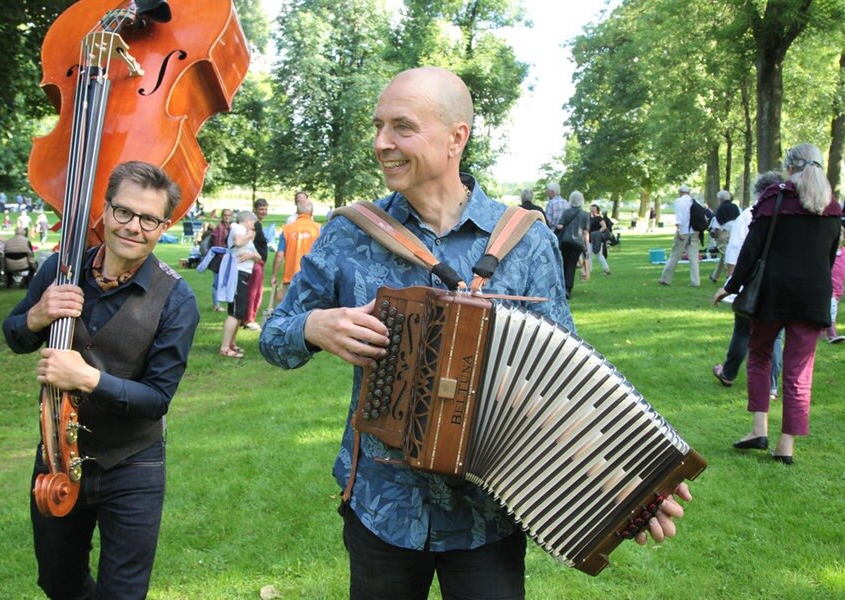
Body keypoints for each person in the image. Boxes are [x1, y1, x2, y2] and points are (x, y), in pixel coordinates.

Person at [260, 67, 689, 599]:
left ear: (456, 137)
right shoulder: (350, 231)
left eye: (402, 127)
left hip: (490, 514)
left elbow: (565, 386)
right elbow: (273, 338)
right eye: (378, 126)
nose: (381, 143)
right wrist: (313, 325)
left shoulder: (526, 239)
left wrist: (634, 487)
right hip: (382, 507)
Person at [2, 161, 199, 598]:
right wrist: (36, 315)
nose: (134, 227)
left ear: (164, 225)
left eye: (149, 219)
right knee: (58, 581)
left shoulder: (177, 299)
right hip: (55, 453)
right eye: (124, 212)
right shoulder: (60, 269)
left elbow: (156, 399)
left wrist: (87, 378)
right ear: (105, 212)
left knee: (123, 592)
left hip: (133, 463)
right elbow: (15, 336)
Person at [714, 143, 842, 466]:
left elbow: (752, 249)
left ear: (790, 167)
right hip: (813, 298)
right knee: (800, 371)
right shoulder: (831, 207)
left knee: (759, 354)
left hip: (773, 293)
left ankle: (759, 429)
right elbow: (828, 258)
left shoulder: (775, 198)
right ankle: (786, 446)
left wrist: (730, 285)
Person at [711, 172, 784, 399]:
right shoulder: (788, 215)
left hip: (752, 282)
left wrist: (732, 285)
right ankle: (771, 385)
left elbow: (736, 252)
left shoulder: (749, 215)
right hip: (779, 284)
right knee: (775, 335)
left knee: (743, 330)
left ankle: (730, 372)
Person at [219, 210, 259, 358]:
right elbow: (237, 242)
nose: (253, 228)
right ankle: (224, 347)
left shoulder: (243, 232)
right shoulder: (238, 228)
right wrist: (249, 235)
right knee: (235, 312)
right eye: (253, 224)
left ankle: (232, 343)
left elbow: (258, 256)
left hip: (244, 274)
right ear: (248, 221)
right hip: (237, 273)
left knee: (240, 311)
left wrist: (252, 255)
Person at [270, 196, 321, 305]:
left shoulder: (287, 229)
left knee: (289, 309)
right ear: (312, 212)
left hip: (290, 275)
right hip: (312, 276)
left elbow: (279, 255)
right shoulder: (319, 229)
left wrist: (274, 275)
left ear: (297, 211)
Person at [658, 185, 702, 287]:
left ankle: (665, 279)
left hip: (683, 231)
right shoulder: (695, 202)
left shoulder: (678, 202)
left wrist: (679, 230)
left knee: (674, 255)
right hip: (694, 231)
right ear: (689, 192)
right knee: (694, 258)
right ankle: (696, 281)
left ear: (680, 192)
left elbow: (679, 217)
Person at [557, 191, 590, 299]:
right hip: (578, 243)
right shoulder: (585, 214)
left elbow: (560, 226)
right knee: (572, 265)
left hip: (565, 241)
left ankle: (561, 288)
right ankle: (568, 288)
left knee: (564, 264)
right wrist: (586, 246)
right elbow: (585, 232)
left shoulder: (566, 212)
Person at [242, 198, 269, 331]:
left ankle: (247, 318)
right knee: (254, 292)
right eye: (261, 209)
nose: (263, 211)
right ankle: (248, 319)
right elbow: (249, 242)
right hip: (255, 263)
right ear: (255, 210)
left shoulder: (258, 224)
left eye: (265, 209)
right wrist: (254, 256)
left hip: (259, 262)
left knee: (257, 292)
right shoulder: (255, 225)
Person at [708, 190, 740, 283]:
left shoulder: (720, 209)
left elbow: (717, 226)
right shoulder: (736, 208)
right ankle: (714, 276)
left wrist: (715, 236)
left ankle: (731, 276)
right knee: (723, 256)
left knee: (727, 256)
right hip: (735, 233)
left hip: (724, 234)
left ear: (720, 199)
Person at [588, 203, 611, 275]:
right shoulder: (589, 218)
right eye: (591, 209)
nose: (592, 210)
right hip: (589, 239)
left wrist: (597, 233)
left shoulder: (599, 218)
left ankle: (606, 269)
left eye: (594, 209)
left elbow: (604, 226)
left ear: (597, 210)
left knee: (598, 254)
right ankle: (589, 269)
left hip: (597, 239)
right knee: (589, 254)